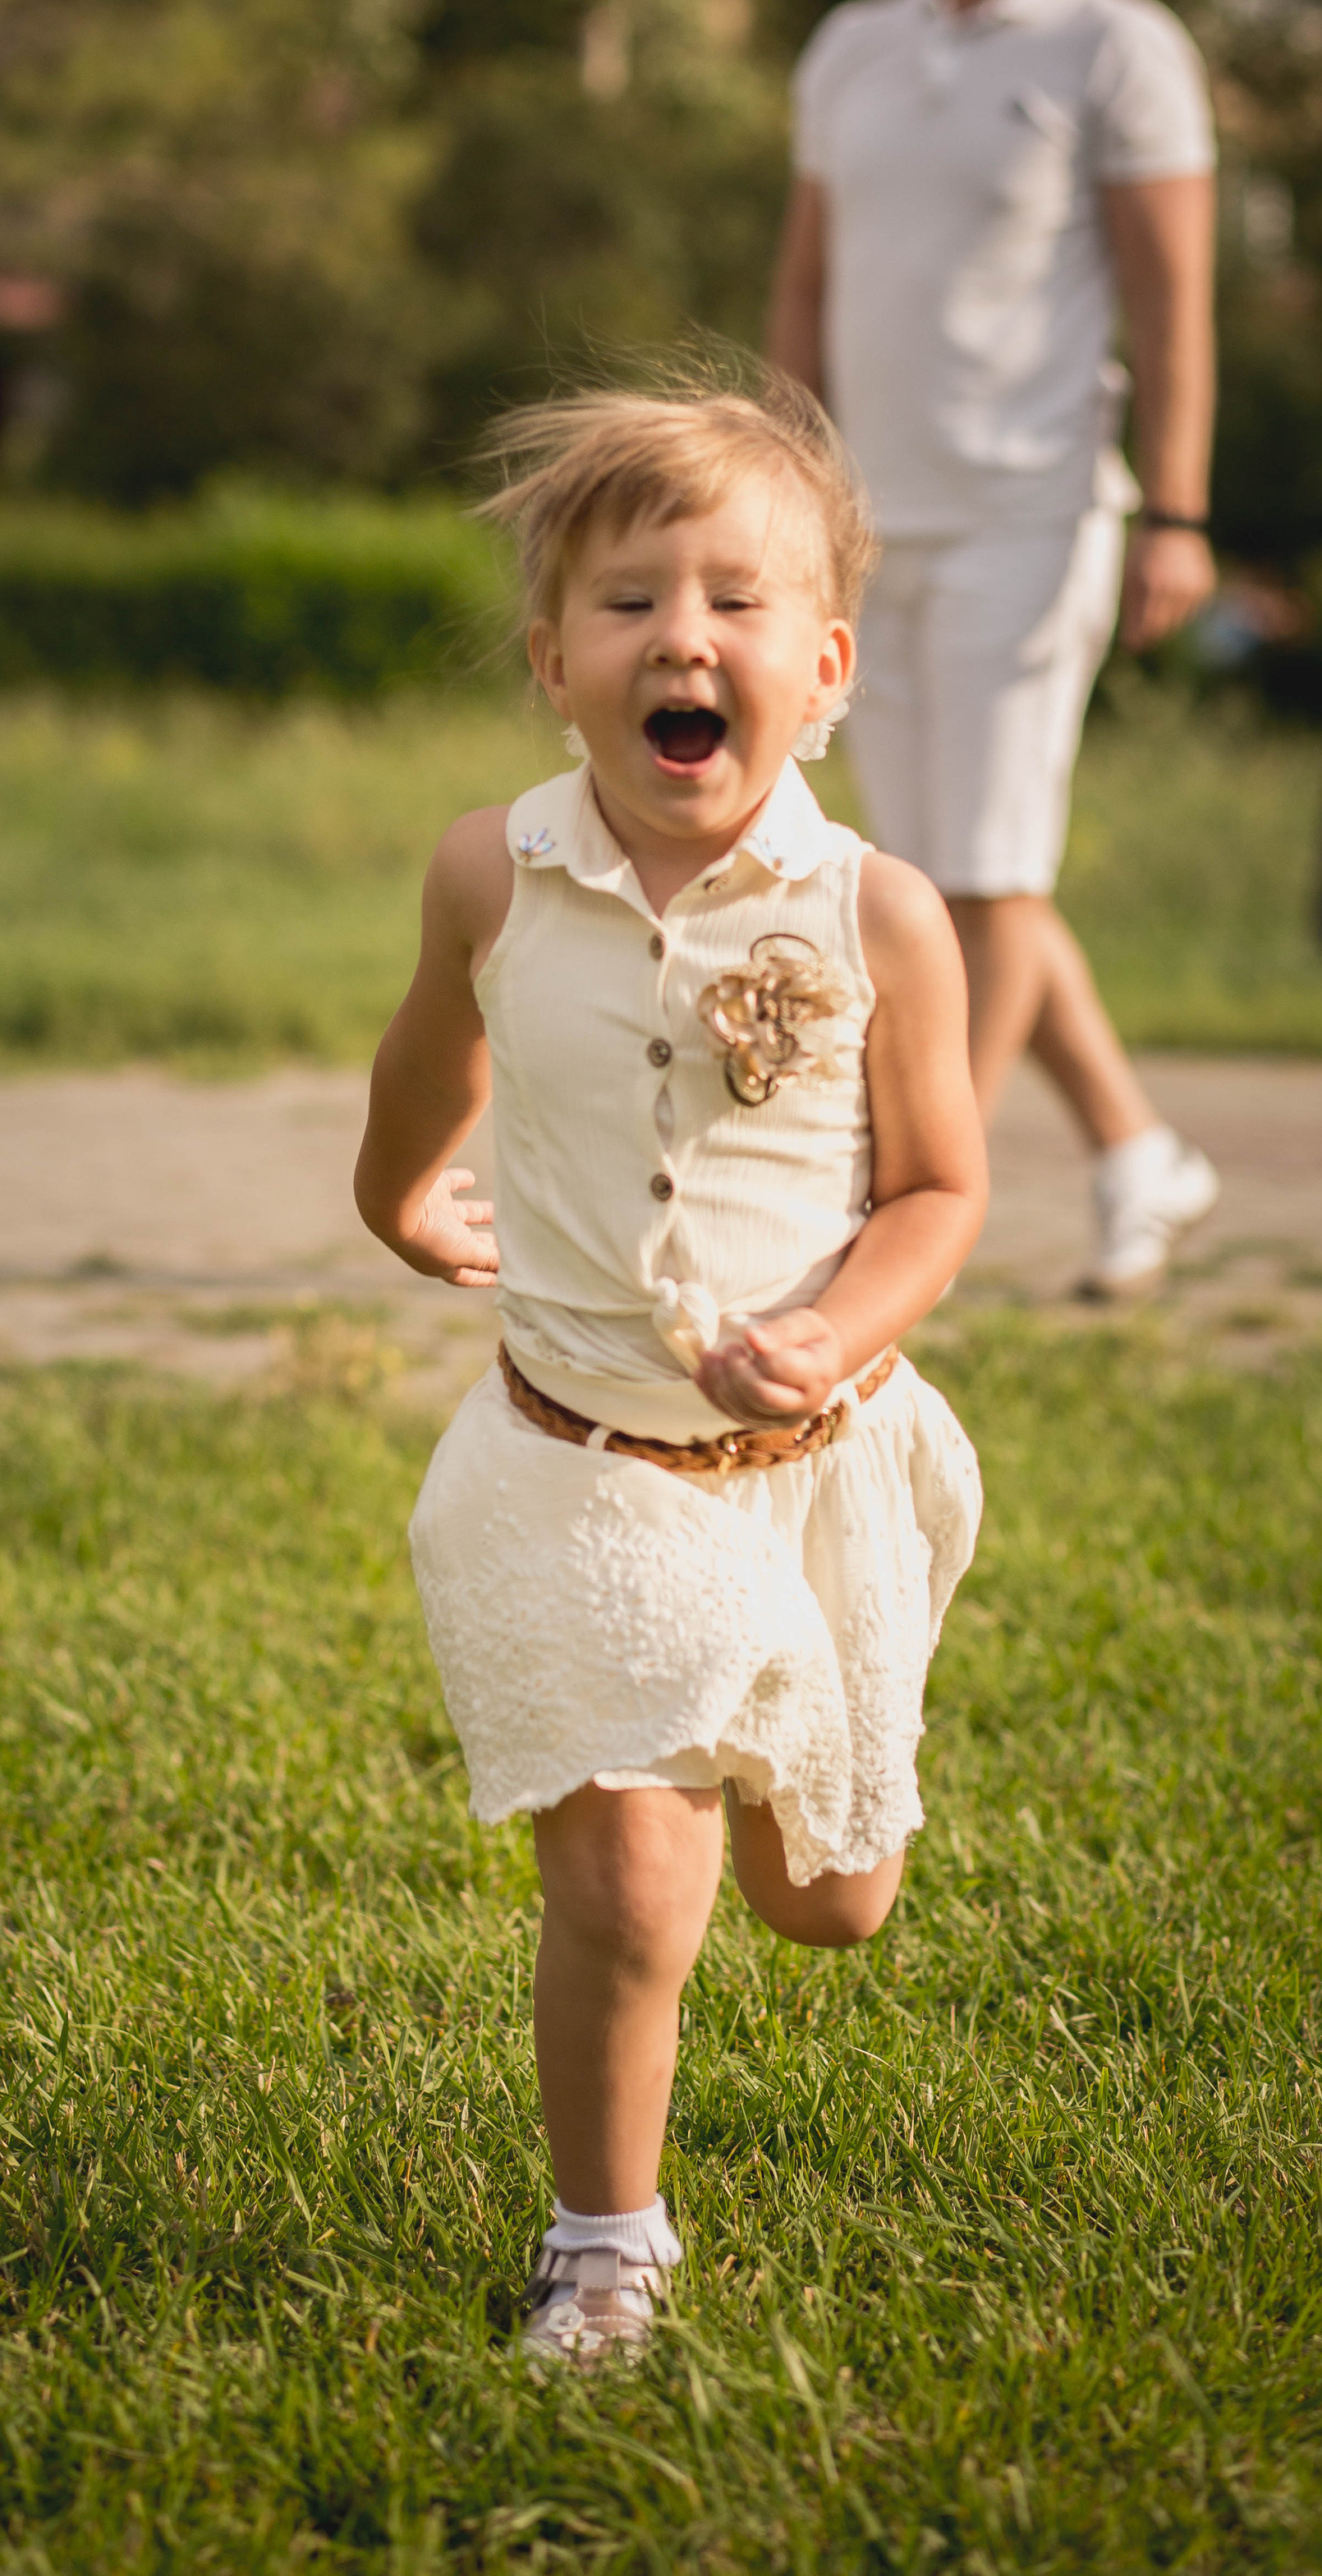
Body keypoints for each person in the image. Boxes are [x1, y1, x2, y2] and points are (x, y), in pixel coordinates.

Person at [354, 373, 988, 2367]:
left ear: (821, 665)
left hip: (809, 1464)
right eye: (628, 604)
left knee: (828, 1904)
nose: (679, 640)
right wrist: (399, 1200)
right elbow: (420, 1063)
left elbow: (945, 1185)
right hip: (568, 1456)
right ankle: (603, 2243)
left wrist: (840, 1323)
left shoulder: (877, 911)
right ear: (556, 663)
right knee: (634, 1882)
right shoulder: (490, 871)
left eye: (730, 601)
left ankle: (799, 1757)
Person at [767, 0, 1221, 1300]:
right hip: (871, 528)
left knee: (987, 881)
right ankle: (1136, 1151)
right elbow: (808, 284)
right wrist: (779, 490)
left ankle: (896, 1210)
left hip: (1040, 520)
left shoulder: (1119, 46)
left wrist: (1178, 511)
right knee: (957, 870)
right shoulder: (847, 50)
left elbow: (1175, 303)